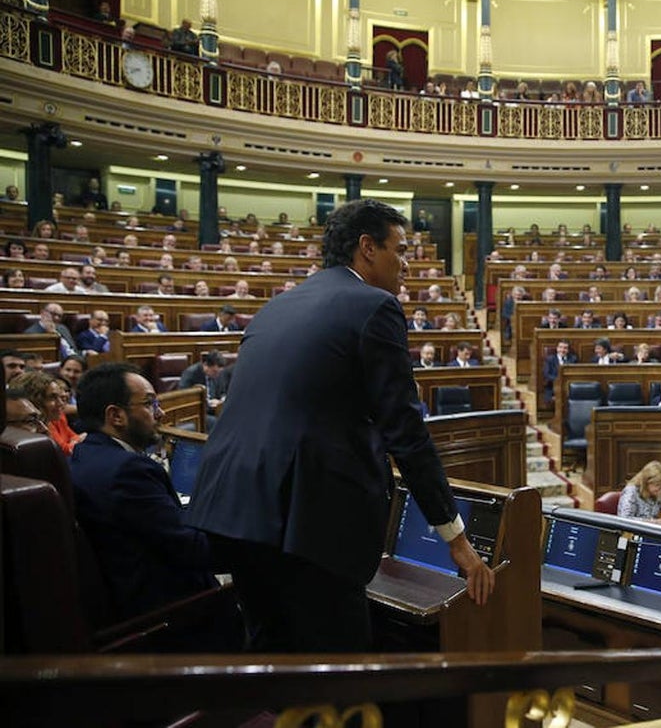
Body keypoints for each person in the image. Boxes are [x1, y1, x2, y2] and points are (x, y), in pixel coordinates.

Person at [185, 200, 494, 653]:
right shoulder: (374, 306)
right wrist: (456, 538)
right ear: (367, 248)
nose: (406, 263)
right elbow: (405, 432)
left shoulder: (278, 305)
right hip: (312, 523)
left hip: (237, 512)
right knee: (339, 675)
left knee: (273, 662)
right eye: (400, 249)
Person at [69, 363, 239, 648]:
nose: (160, 413)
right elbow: (194, 549)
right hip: (172, 620)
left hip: (132, 599)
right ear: (116, 415)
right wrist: (258, 545)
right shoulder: (127, 470)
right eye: (150, 403)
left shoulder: (84, 454)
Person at [10, 369, 85, 454]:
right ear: (34, 400)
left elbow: (73, 438)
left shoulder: (51, 419)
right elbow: (64, 450)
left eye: (60, 397)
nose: (60, 403)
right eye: (52, 397)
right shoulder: (23, 430)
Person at [617, 460, 661, 524]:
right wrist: (655, 522)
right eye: (657, 485)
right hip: (633, 534)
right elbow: (625, 520)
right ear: (646, 482)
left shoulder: (656, 493)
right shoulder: (631, 492)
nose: (660, 489)